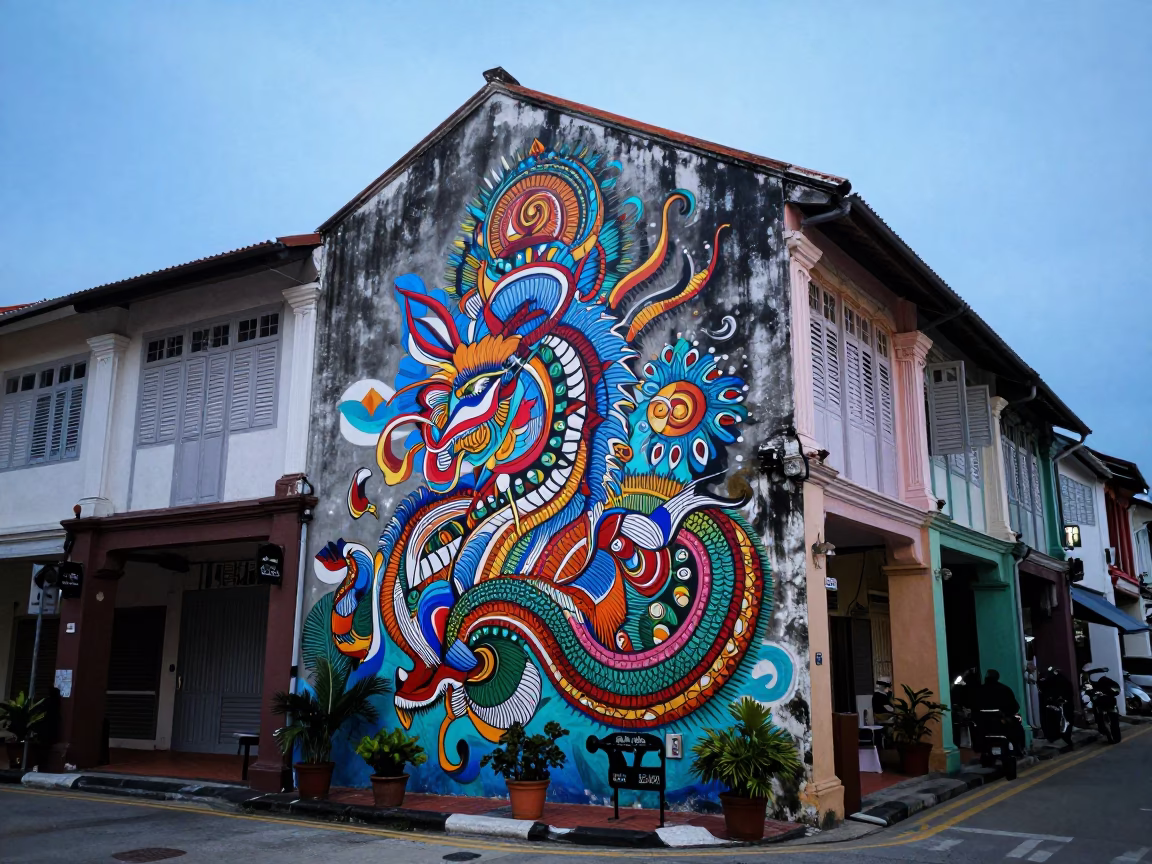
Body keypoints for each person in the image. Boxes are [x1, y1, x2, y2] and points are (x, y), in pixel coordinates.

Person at [977, 669, 1026, 756]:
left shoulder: (979, 690)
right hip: (1001, 721)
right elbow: (1014, 707)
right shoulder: (1005, 689)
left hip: (984, 722)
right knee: (1018, 729)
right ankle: (1018, 750)